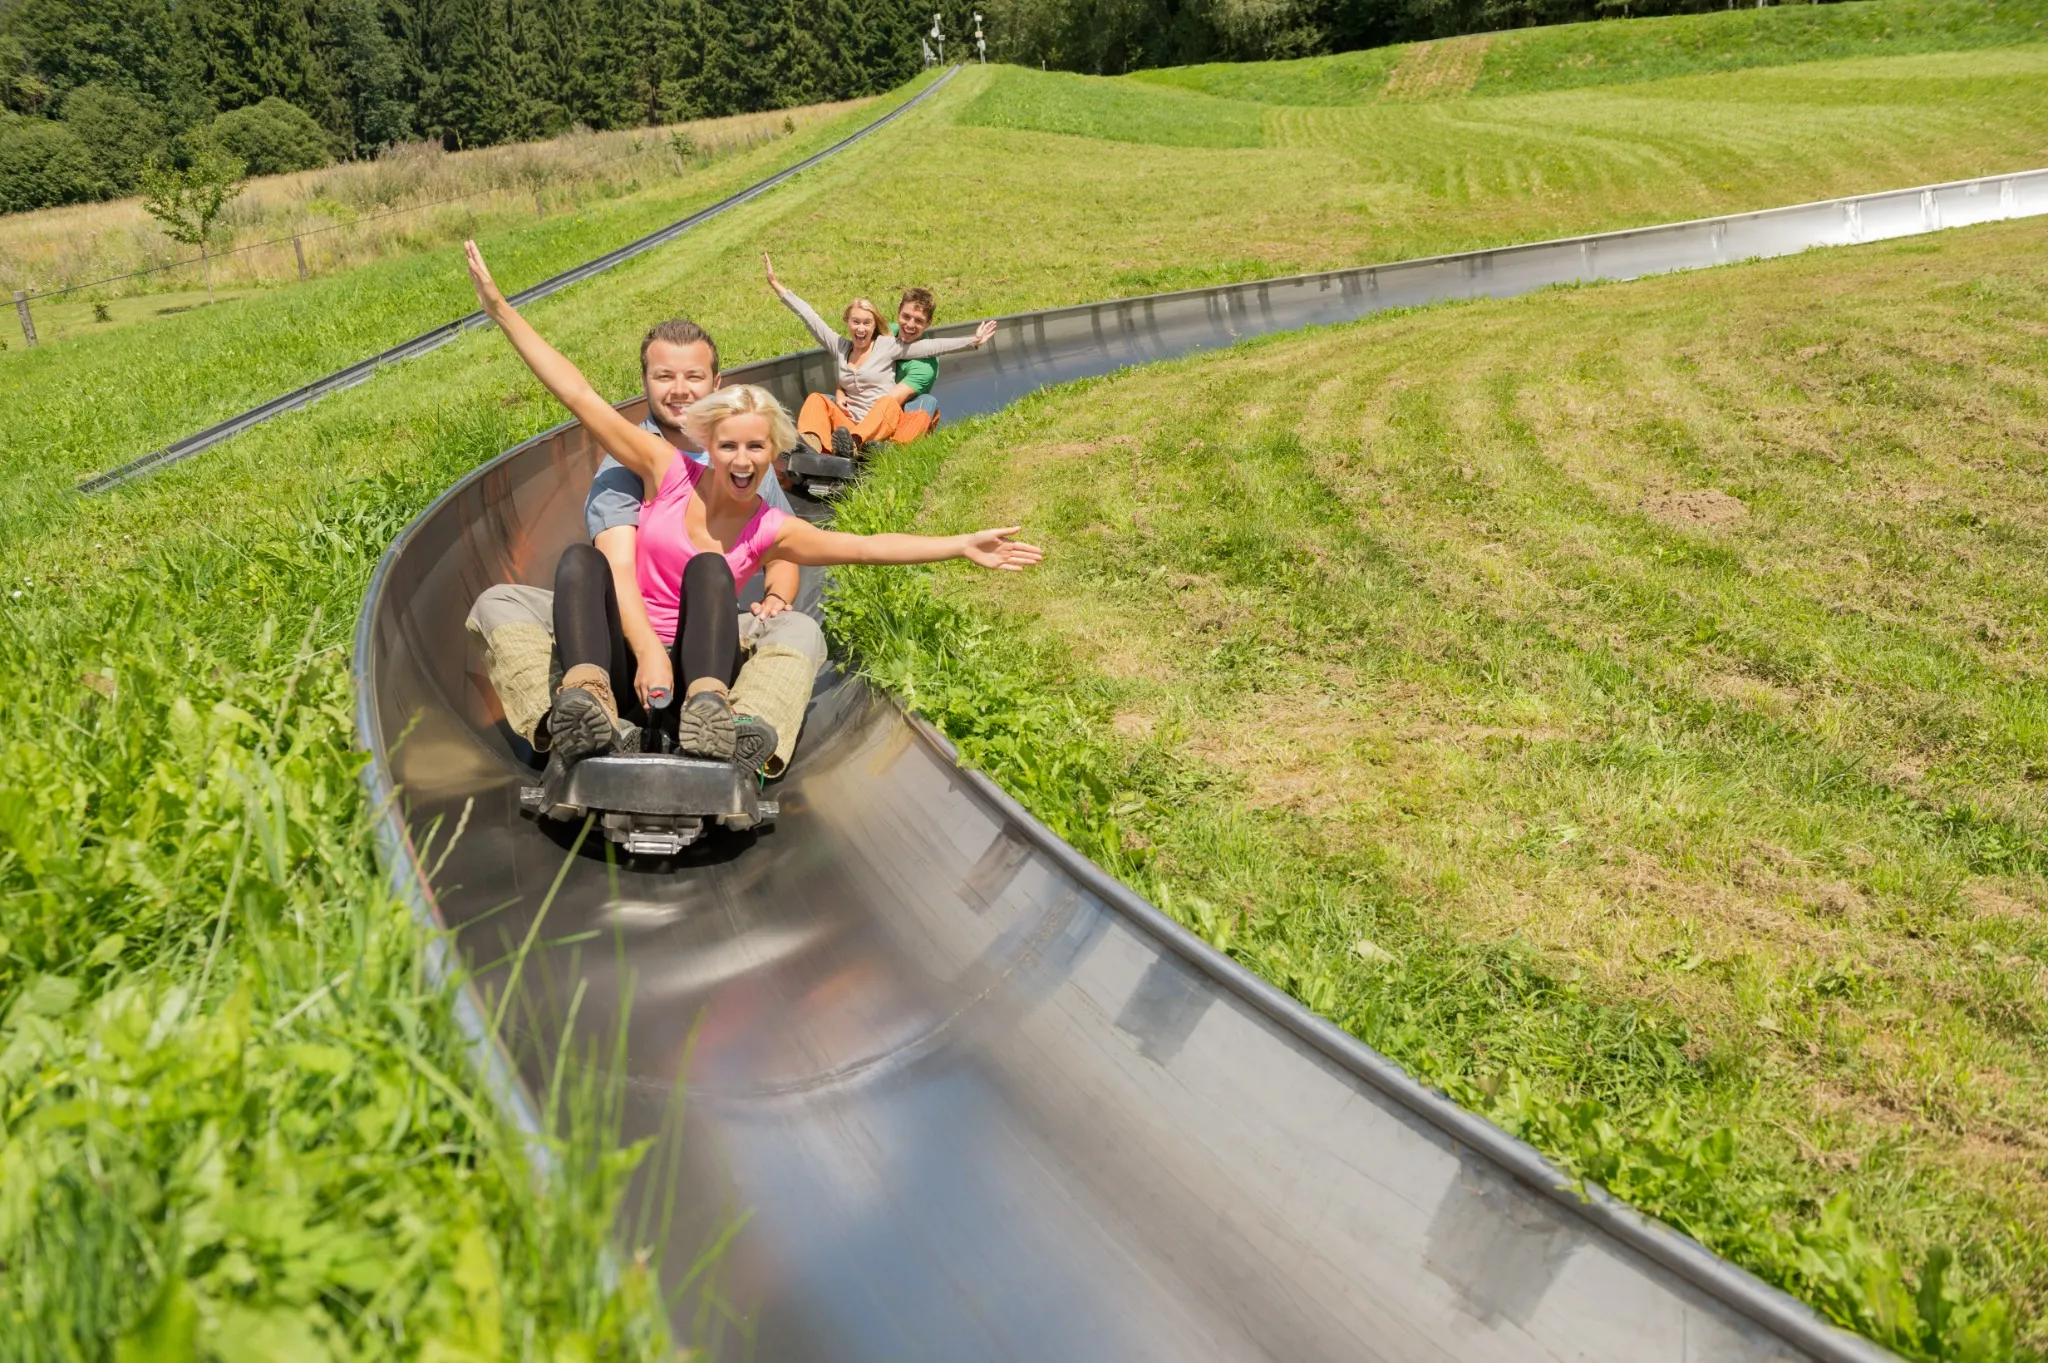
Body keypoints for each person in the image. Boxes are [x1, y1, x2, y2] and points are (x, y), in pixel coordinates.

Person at [462, 239, 1041, 773]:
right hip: (620, 648)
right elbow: (578, 395)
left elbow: (866, 548)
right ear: (706, 445)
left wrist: (961, 545)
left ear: (773, 456)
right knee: (570, 567)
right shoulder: (663, 470)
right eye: (730, 447)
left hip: (701, 661)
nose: (742, 460)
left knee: (736, 588)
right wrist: (502, 312)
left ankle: (728, 724)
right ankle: (577, 711)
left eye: (756, 449)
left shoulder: (770, 527)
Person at [467, 318, 824, 777]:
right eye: (664, 377)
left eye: (693, 377)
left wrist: (777, 594)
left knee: (801, 630)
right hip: (622, 637)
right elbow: (616, 569)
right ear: (645, 382)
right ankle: (575, 723)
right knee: (499, 602)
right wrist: (651, 650)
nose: (680, 391)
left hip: (708, 636)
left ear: (715, 384)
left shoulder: (739, 455)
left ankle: (734, 732)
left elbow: (782, 551)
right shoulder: (627, 462)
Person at [766, 253, 997, 461]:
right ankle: (811, 446)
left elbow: (932, 346)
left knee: (893, 402)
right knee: (817, 399)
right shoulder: (844, 346)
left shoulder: (889, 346)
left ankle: (859, 445)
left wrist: (972, 341)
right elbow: (811, 319)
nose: (861, 329)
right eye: (856, 322)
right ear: (848, 323)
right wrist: (777, 286)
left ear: (874, 325)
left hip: (879, 424)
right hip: (849, 423)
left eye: (867, 323)